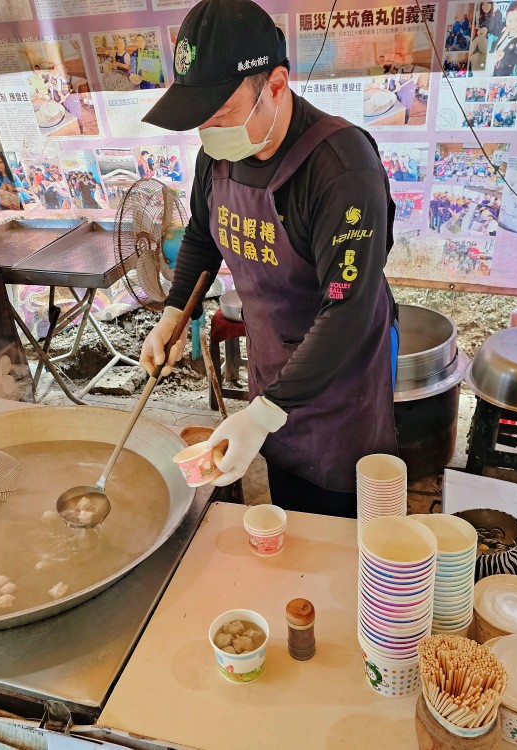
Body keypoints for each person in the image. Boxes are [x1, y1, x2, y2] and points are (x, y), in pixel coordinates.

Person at [141, 0, 398, 518]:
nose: (209, 134)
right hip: (272, 363)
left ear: (275, 85)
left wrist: (261, 413)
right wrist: (174, 314)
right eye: (200, 122)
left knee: (333, 527)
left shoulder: (342, 170)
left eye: (221, 115)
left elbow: (347, 309)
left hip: (339, 387)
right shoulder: (218, 152)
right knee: (287, 511)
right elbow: (202, 235)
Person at [492, 1, 517, 77]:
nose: (513, 24)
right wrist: (495, 13)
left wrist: (505, 56)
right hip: (491, 64)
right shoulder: (505, 28)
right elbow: (495, 28)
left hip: (502, 72)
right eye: (510, 20)